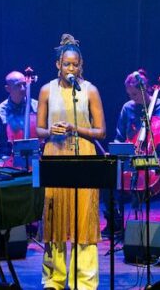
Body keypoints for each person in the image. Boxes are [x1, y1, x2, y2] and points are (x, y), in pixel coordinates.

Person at [37, 34, 107, 290]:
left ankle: (84, 282)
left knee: (84, 220)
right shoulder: (46, 90)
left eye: (75, 65)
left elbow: (101, 131)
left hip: (85, 158)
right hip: (55, 157)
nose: (71, 69)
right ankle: (53, 280)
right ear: (58, 64)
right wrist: (52, 131)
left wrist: (75, 128)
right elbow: (39, 131)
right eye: (67, 64)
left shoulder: (90, 90)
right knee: (54, 219)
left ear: (81, 65)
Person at [108, 68, 160, 234]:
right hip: (134, 159)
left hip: (157, 158)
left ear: (145, 90)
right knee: (108, 174)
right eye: (129, 95)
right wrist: (114, 151)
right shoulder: (127, 108)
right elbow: (120, 137)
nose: (132, 99)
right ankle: (115, 221)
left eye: (134, 95)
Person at [0, 70, 39, 168]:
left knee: (37, 181)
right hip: (8, 162)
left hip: (35, 161)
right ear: (8, 89)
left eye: (24, 84)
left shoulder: (37, 107)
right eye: (18, 86)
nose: (23, 89)